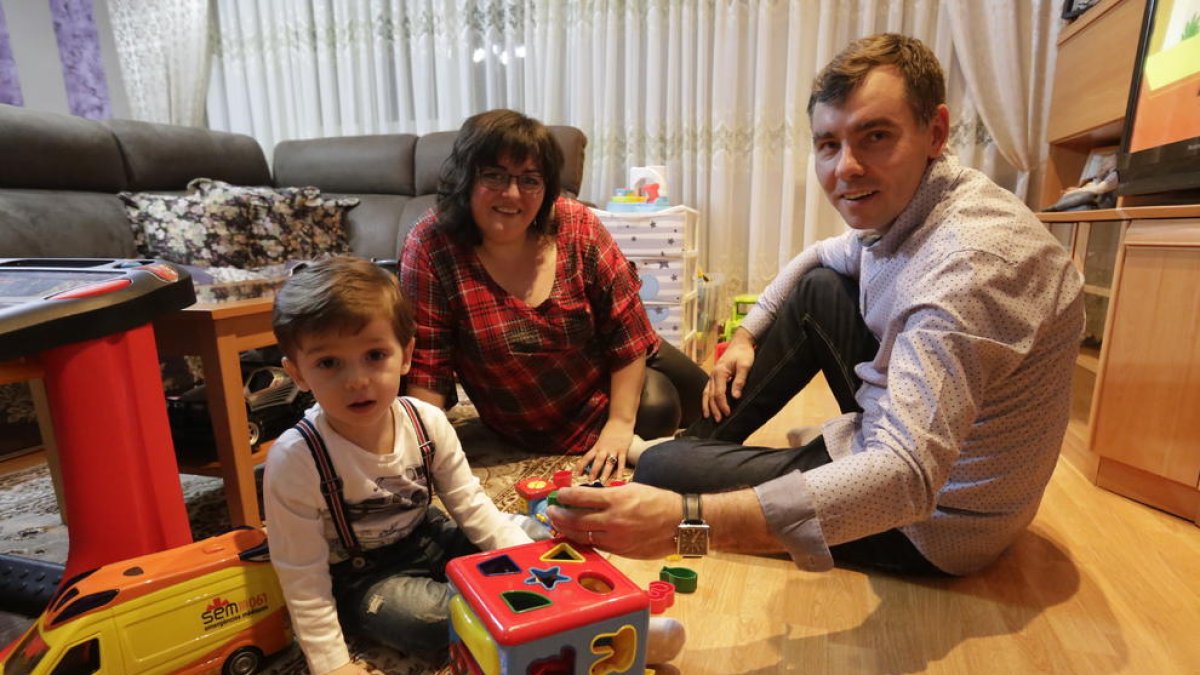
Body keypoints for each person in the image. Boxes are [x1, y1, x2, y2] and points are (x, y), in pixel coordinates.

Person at [548, 33, 1084, 577]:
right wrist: (744, 336)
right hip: (914, 445)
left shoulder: (968, 267)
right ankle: (711, 450)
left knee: (662, 470)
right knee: (821, 287)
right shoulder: (922, 206)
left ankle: (695, 469)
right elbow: (819, 254)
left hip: (936, 523)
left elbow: (907, 479)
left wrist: (683, 524)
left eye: (875, 136)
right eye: (828, 144)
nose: (846, 168)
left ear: (936, 132)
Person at [400, 109, 708, 482]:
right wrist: (420, 453)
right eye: (494, 176)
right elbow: (428, 366)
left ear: (547, 188)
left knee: (712, 402)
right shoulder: (430, 245)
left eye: (530, 180)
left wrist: (618, 426)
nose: (511, 194)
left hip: (603, 350)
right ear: (465, 178)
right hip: (533, 406)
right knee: (660, 406)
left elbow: (625, 330)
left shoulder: (577, 224)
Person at [264, 256, 535, 675]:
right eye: (329, 363)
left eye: (374, 355)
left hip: (428, 534)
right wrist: (331, 664)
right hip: (363, 576)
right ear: (297, 373)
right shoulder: (295, 459)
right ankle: (506, 609)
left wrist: (525, 557)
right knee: (428, 622)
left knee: (527, 536)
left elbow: (469, 503)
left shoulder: (426, 421)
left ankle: (518, 593)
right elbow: (301, 575)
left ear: (406, 354)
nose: (356, 380)